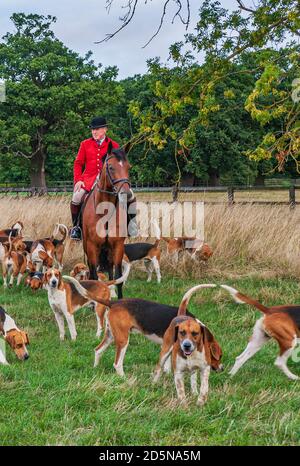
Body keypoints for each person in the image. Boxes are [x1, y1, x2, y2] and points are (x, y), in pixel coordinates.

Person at [70, 116, 119, 240]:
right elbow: (78, 163)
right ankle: (77, 227)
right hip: (88, 179)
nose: (94, 132)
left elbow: (119, 164)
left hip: (109, 180)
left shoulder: (114, 145)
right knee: (76, 197)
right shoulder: (85, 144)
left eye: (97, 129)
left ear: (105, 129)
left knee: (128, 195)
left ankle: (129, 226)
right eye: (92, 129)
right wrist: (79, 180)